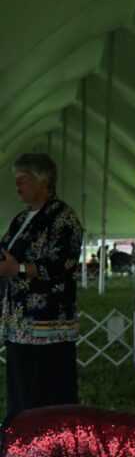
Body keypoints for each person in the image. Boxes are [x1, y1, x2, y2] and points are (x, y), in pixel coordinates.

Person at [0, 153, 83, 417]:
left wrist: (20, 269)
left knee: (49, 392)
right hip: (19, 323)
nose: (17, 185)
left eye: (23, 179)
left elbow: (63, 263)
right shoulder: (20, 219)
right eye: (16, 180)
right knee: (21, 390)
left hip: (49, 327)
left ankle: (53, 451)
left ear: (44, 180)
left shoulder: (63, 218)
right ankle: (21, 447)